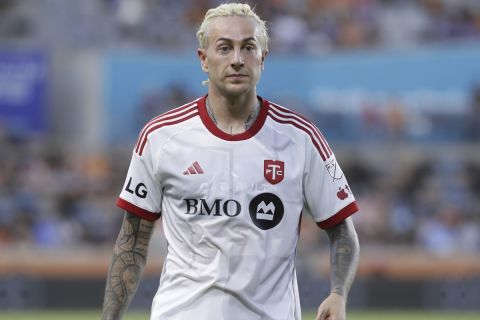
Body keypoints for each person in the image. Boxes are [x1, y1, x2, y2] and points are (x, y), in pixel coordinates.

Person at [102, 3, 360, 320]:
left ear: (262, 58)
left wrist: (338, 293)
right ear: (203, 59)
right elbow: (132, 242)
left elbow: (343, 231)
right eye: (224, 48)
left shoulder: (301, 138)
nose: (237, 59)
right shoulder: (160, 137)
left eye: (248, 47)